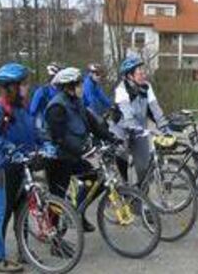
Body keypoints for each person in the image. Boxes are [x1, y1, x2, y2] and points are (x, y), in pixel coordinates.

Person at [44, 67, 119, 233]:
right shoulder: (56, 107)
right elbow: (59, 138)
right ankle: (55, 240)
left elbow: (93, 124)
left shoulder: (76, 103)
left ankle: (77, 212)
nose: (82, 87)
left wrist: (110, 137)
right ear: (69, 87)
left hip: (73, 156)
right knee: (57, 199)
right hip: (57, 159)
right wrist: (82, 150)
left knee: (96, 180)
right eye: (79, 84)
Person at [0, 63, 37, 273]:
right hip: (2, 166)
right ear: (11, 86)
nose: (27, 87)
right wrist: (8, 147)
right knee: (2, 212)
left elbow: (30, 132)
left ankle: (24, 252)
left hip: (19, 164)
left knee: (22, 210)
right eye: (23, 84)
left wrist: (44, 145)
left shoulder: (21, 106)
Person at [111, 56, 171, 186]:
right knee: (121, 156)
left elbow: (155, 109)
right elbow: (127, 114)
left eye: (144, 72)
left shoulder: (147, 87)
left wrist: (164, 127)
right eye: (140, 73)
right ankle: (124, 187)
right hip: (122, 130)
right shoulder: (121, 89)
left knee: (144, 166)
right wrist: (139, 129)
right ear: (130, 76)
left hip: (140, 130)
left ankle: (141, 197)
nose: (143, 75)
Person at [30, 62, 62, 129]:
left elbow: (32, 110)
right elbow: (32, 111)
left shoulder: (62, 92)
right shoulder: (42, 91)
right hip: (45, 126)